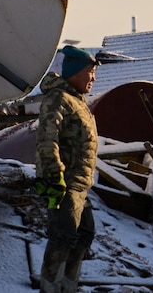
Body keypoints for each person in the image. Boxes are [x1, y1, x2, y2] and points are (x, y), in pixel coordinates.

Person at [34, 45, 99, 293]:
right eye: (89, 72)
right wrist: (53, 176)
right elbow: (47, 140)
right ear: (74, 72)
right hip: (65, 183)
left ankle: (68, 286)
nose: (93, 78)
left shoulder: (78, 102)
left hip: (81, 185)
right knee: (62, 237)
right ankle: (50, 288)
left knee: (83, 235)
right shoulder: (58, 99)